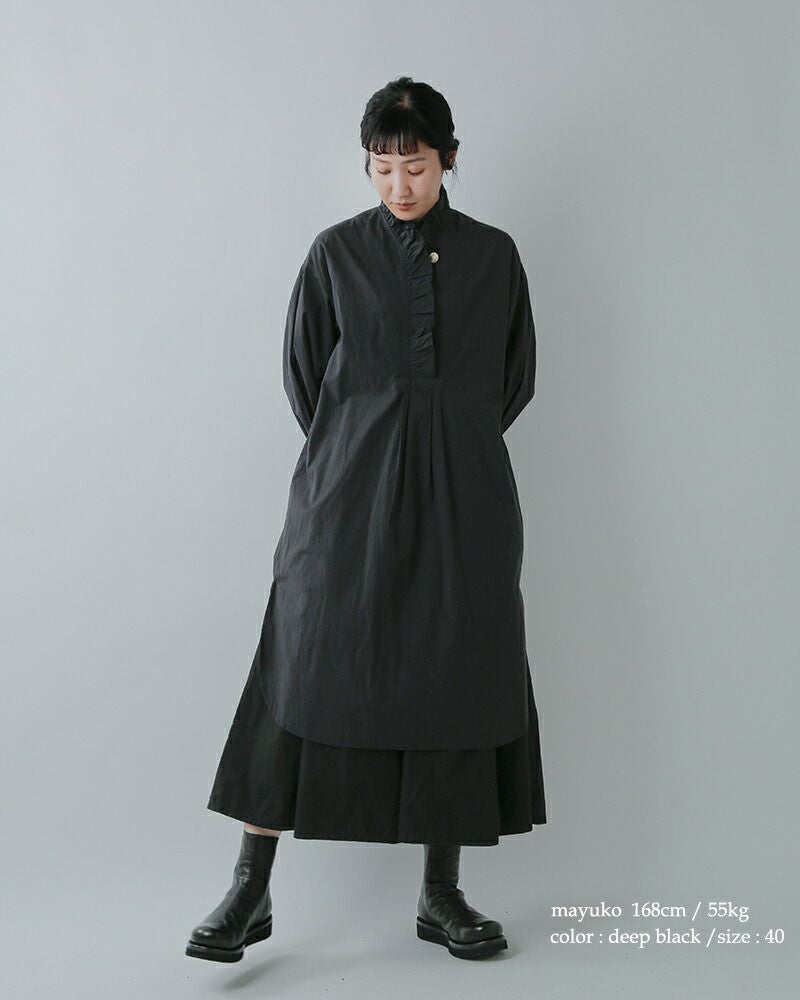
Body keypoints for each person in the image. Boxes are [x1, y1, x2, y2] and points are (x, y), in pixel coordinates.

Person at [185, 75, 546, 964]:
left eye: (415, 166)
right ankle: (249, 889)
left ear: (449, 159)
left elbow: (512, 381)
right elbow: (306, 377)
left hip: (464, 501)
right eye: (382, 168)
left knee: (454, 671)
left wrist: (443, 444)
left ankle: (441, 893)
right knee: (301, 661)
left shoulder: (494, 257)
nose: (398, 185)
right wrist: (370, 445)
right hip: (345, 498)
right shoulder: (335, 254)